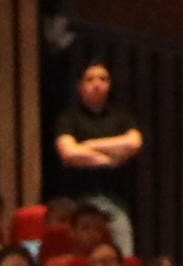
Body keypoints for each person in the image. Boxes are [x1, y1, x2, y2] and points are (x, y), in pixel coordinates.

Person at [51, 62, 142, 251]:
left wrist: (89, 145)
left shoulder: (121, 118)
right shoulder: (69, 118)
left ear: (109, 85)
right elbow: (69, 153)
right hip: (76, 200)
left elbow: (134, 143)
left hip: (114, 199)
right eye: (90, 79)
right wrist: (110, 160)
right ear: (80, 86)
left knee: (125, 254)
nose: (97, 84)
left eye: (103, 79)